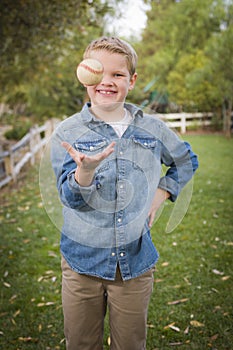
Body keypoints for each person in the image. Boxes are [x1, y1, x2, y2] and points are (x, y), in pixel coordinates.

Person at [51, 36, 198, 350]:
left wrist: (160, 195)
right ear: (83, 74)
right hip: (81, 265)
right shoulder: (69, 131)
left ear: (131, 81)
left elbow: (186, 160)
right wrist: (85, 171)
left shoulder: (152, 129)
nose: (107, 81)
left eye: (117, 75)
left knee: (130, 344)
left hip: (134, 264)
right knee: (81, 344)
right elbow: (69, 197)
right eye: (98, 72)